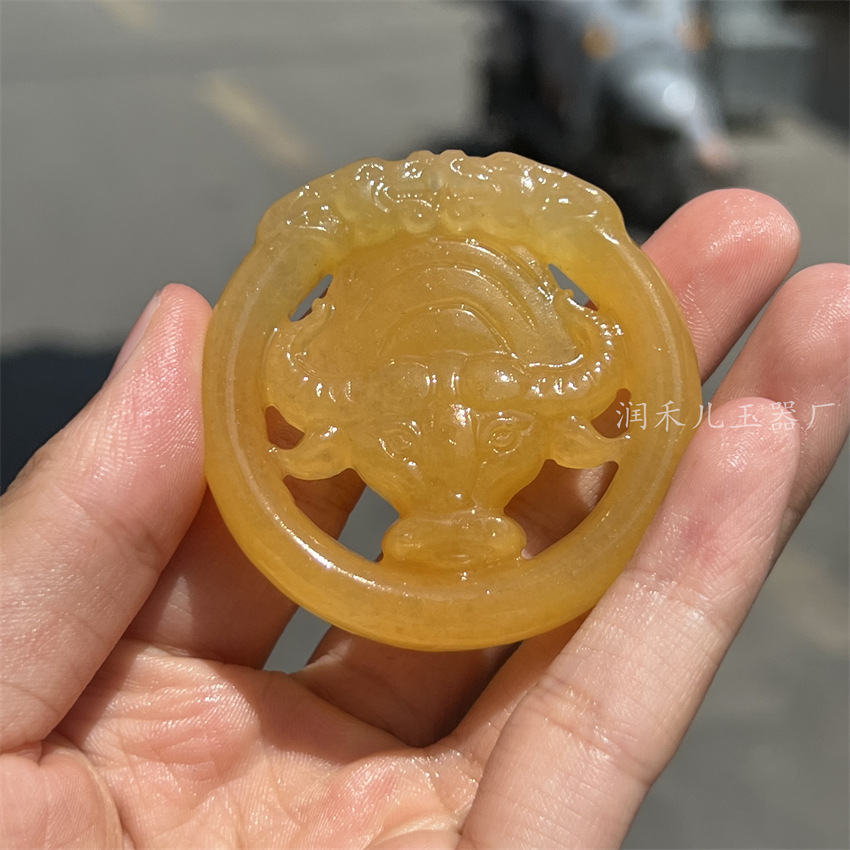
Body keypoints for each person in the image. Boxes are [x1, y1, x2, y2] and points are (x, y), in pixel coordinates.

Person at [0, 189, 847, 849]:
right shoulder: (325, 387)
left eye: (500, 429)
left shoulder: (575, 373)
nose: (453, 450)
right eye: (405, 433)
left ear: (559, 425)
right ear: (340, 437)